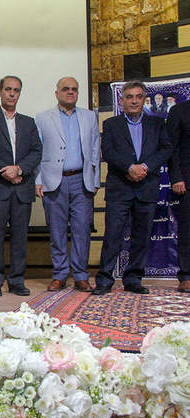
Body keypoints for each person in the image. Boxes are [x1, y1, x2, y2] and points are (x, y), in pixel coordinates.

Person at [93, 81, 172, 295]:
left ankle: (133, 279)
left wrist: (145, 167)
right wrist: (129, 167)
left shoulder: (157, 123)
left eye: (138, 96)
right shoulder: (111, 124)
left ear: (144, 99)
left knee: (141, 236)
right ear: (122, 101)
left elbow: (166, 148)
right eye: (129, 97)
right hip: (120, 188)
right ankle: (104, 280)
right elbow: (108, 151)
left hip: (147, 187)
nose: (134, 101)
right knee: (113, 236)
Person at [35, 77, 101, 292]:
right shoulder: (43, 118)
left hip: (82, 181)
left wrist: (95, 179)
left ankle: (81, 276)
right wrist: (38, 180)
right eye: (65, 89)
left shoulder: (89, 117)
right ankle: (60, 275)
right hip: (54, 181)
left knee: (82, 230)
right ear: (57, 93)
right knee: (57, 231)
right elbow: (37, 152)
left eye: (74, 89)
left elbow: (95, 149)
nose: (70, 92)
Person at [0, 76, 42, 297]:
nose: (12, 93)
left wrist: (19, 169)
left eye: (16, 90)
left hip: (22, 188)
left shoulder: (28, 122)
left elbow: (36, 151)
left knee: (20, 238)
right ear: (0, 92)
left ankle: (16, 281)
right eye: (8, 89)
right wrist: (4, 171)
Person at [166, 98, 190, 293]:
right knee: (188, 230)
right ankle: (186, 276)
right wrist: (176, 178)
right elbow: (171, 149)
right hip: (187, 182)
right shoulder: (179, 111)